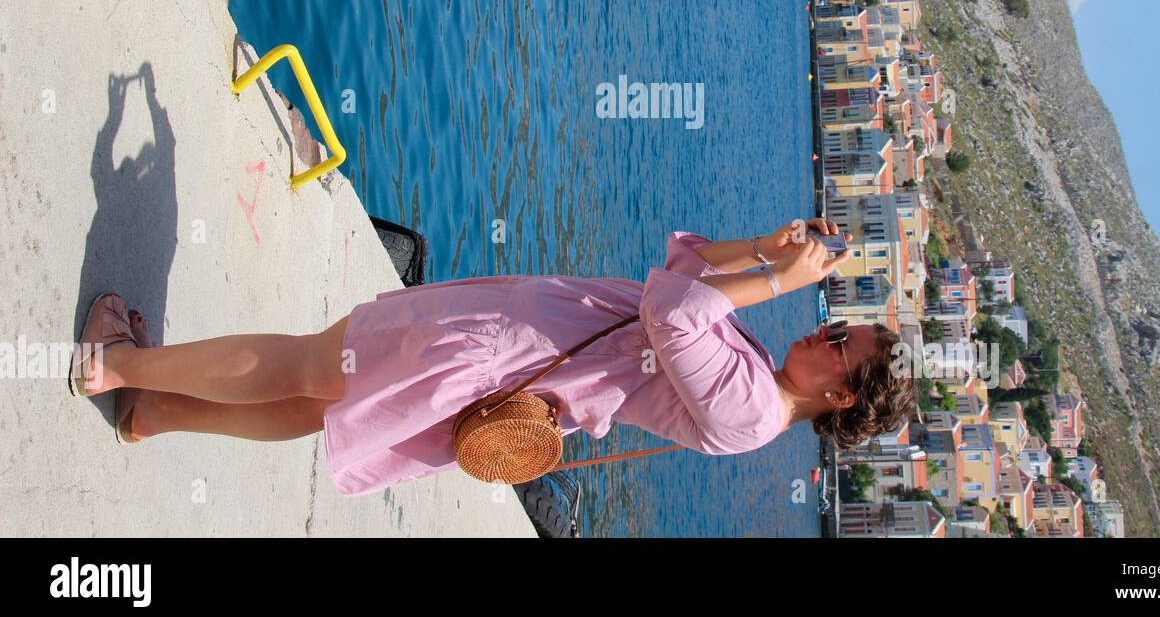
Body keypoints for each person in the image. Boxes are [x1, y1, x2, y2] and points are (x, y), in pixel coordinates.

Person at [69, 219, 916, 495]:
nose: (827, 332)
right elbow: (687, 271)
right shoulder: (761, 369)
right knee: (330, 401)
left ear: (841, 396)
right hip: (512, 345)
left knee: (310, 367)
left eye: (843, 347)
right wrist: (764, 246)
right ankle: (157, 412)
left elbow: (672, 310)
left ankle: (115, 367)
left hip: (500, 358)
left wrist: (774, 276)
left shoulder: (752, 414)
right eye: (839, 323)